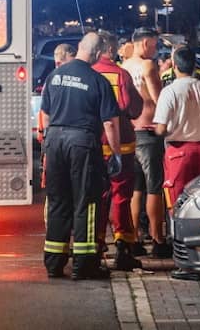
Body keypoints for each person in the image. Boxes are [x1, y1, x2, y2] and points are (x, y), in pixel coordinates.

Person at [40, 32, 121, 280]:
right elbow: (110, 123)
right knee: (86, 202)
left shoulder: (54, 76)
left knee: (58, 201)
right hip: (82, 143)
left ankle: (54, 263)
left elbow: (45, 115)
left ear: (79, 48)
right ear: (97, 54)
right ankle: (84, 265)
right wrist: (116, 153)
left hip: (55, 141)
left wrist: (48, 145)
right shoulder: (98, 81)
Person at [153, 45, 200, 281]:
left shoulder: (169, 92)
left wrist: (165, 128)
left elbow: (160, 128)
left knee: (177, 208)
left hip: (178, 153)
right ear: (194, 65)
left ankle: (185, 264)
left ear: (173, 64)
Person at [92, 30, 144, 271]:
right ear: (111, 50)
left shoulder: (88, 73)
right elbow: (133, 109)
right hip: (121, 144)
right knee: (121, 196)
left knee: (97, 197)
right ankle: (123, 246)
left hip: (94, 144)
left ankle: (96, 243)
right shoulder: (120, 74)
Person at [121, 27, 171, 258]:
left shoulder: (125, 67)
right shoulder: (147, 66)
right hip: (149, 133)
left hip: (132, 133)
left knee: (136, 189)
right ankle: (158, 239)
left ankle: (134, 238)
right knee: (154, 188)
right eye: (153, 45)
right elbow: (159, 99)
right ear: (143, 44)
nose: (155, 49)